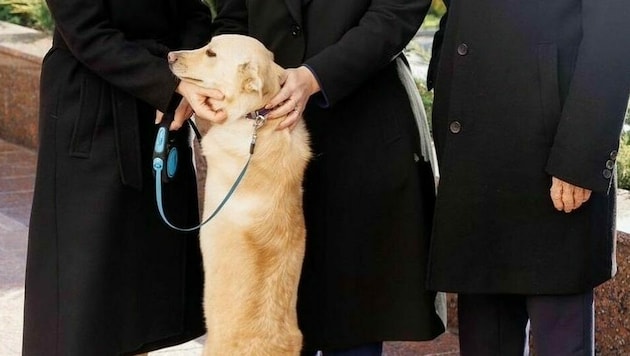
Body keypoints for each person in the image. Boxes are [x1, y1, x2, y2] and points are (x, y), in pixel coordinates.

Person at [211, 0, 445, 354]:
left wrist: (315, 75)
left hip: (361, 134)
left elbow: (397, 12)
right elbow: (232, 18)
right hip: (265, 148)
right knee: (269, 323)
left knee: (353, 323)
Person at [22, 1, 226, 355]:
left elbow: (194, 11)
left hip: (164, 105)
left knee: (142, 299)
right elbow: (86, 32)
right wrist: (170, 83)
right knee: (86, 293)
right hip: (92, 109)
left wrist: (186, 75)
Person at [426, 0, 630, 354]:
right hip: (476, 155)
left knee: (560, 340)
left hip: (554, 162)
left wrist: (580, 158)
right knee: (484, 339)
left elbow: (615, 35)